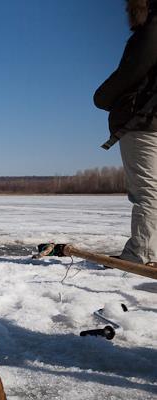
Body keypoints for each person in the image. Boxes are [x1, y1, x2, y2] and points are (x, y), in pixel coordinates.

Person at [94, 0, 157, 266]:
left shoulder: (152, 30)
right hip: (149, 120)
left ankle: (141, 253)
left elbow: (130, 71)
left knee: (147, 192)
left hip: (144, 123)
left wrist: (102, 97)